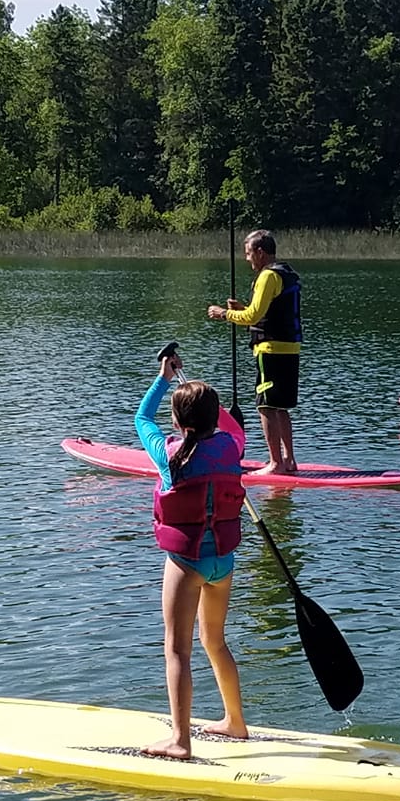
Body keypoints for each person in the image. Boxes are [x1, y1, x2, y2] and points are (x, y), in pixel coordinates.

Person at [134, 352, 249, 758]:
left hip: (187, 562)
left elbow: (141, 420)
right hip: (224, 562)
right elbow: (231, 425)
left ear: (180, 424)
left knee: (177, 648)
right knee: (215, 640)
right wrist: (195, 384)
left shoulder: (169, 454)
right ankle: (235, 722)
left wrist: (164, 379)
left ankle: (180, 741)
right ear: (215, 416)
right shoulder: (233, 446)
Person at [206, 229, 301, 475]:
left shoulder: (267, 276)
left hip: (270, 350)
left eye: (249, 253)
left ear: (260, 252)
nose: (247, 259)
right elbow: (263, 314)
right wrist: (243, 309)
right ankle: (289, 460)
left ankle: (275, 464)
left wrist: (225, 314)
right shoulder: (285, 273)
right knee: (280, 407)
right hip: (289, 348)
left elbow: (253, 316)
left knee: (266, 406)